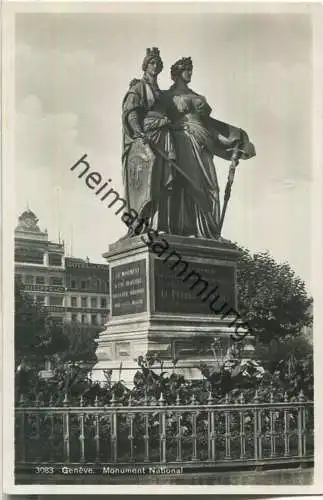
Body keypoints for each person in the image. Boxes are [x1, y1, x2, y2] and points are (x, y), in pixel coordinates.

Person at [162, 57, 255, 238]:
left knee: (211, 186)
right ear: (177, 74)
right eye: (187, 69)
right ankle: (189, 229)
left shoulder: (198, 98)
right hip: (182, 142)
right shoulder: (167, 97)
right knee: (189, 183)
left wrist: (229, 143)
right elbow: (158, 120)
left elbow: (210, 127)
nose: (190, 73)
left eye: (191, 69)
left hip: (204, 143)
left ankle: (209, 232)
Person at [122, 47, 175, 235]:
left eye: (158, 64)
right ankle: (140, 222)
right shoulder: (138, 87)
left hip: (164, 138)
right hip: (148, 138)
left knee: (162, 181)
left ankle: (157, 225)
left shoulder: (160, 92)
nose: (155, 66)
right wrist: (139, 133)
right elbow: (131, 114)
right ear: (145, 66)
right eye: (152, 63)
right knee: (148, 181)